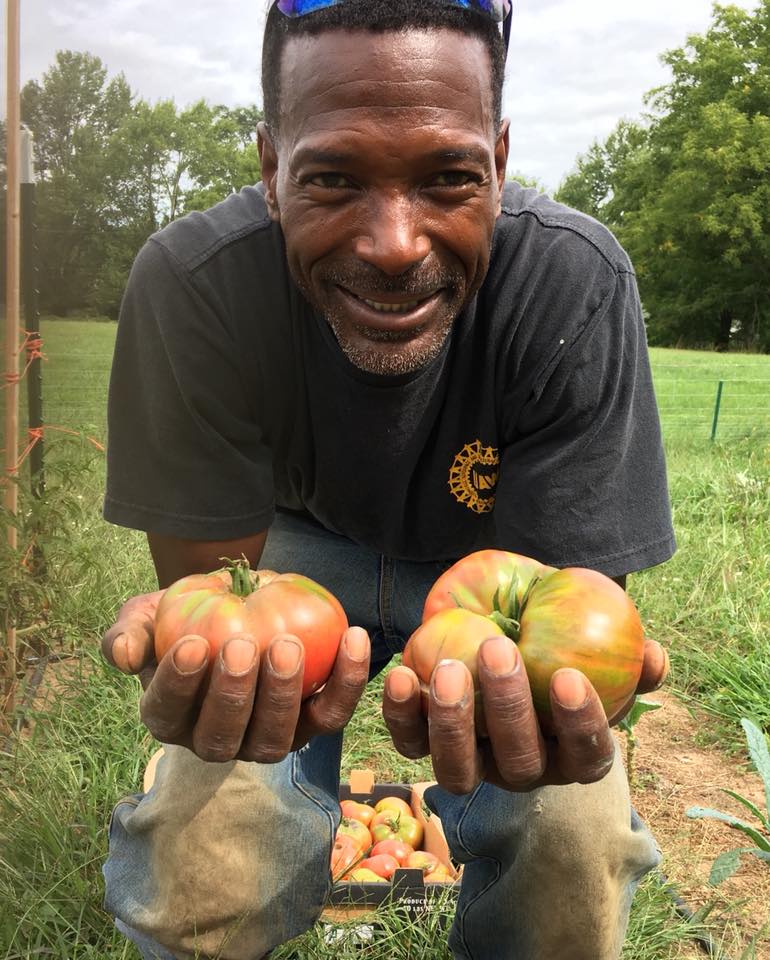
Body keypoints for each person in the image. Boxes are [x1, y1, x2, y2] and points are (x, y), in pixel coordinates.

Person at [100, 1, 675, 958]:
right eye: (331, 178)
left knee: (571, 840)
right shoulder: (194, 286)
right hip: (291, 559)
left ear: (497, 159)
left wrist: (546, 721)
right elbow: (220, 596)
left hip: (493, 564)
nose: (395, 244)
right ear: (270, 171)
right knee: (208, 847)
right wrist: (203, 653)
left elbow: (565, 618)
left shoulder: (575, 285)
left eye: (450, 177)